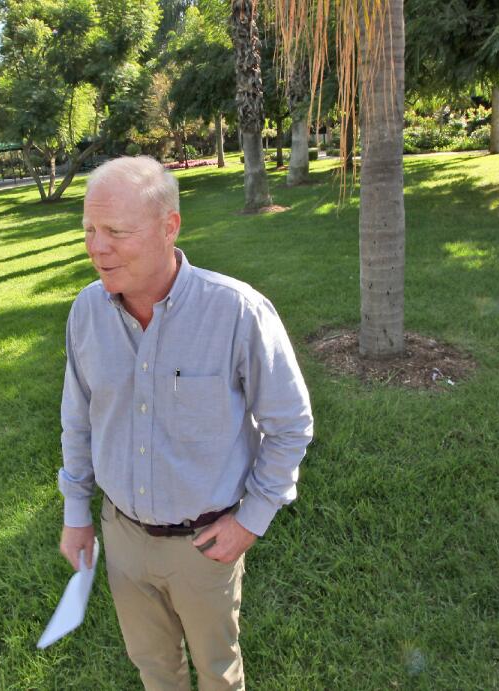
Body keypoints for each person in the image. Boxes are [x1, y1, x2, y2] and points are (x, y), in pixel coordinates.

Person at [58, 156, 314, 690]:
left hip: (205, 545)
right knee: (153, 667)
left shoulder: (237, 312)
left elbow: (289, 424)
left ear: (168, 226)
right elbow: (78, 421)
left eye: (115, 232)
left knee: (218, 673)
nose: (96, 247)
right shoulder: (85, 312)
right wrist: (77, 512)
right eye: (88, 230)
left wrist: (252, 519)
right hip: (122, 536)